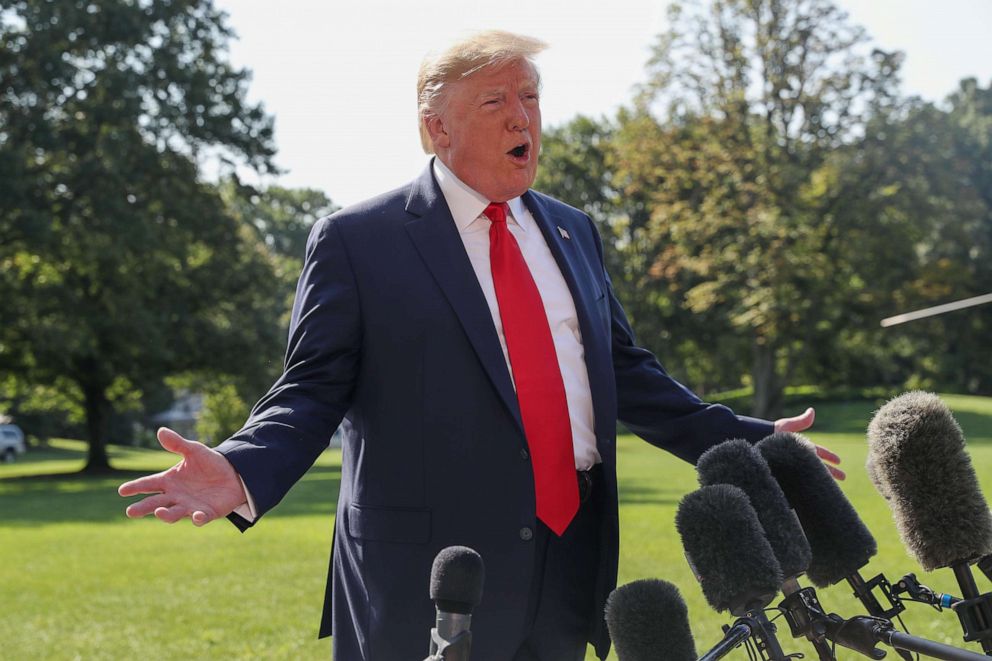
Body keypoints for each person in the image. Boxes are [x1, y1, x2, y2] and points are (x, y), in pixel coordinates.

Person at [119, 30, 843, 661]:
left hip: (568, 563)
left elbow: (625, 373)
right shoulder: (356, 242)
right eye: (496, 102)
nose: (522, 116)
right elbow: (311, 389)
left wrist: (753, 445)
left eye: (530, 97)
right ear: (437, 128)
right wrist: (243, 467)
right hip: (430, 581)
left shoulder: (573, 231)